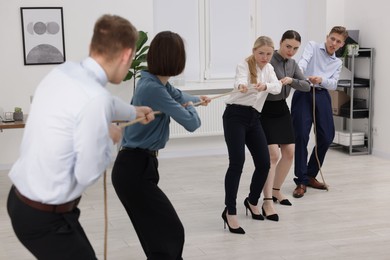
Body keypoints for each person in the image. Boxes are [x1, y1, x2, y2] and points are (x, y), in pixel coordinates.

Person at [7, 14, 154, 260]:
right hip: (44, 218)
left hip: (23, 201)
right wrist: (110, 138)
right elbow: (87, 174)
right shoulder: (94, 100)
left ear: (93, 46)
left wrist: (133, 111)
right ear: (128, 55)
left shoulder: (65, 72)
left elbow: (103, 102)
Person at [111, 31, 211, 259]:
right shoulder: (153, 89)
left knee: (158, 237)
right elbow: (192, 123)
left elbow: (179, 94)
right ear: (175, 59)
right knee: (169, 232)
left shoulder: (155, 83)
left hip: (139, 166)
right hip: (133, 169)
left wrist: (197, 99)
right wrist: (190, 105)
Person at [222, 36, 282, 234]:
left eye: (268, 54)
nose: (264, 57)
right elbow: (240, 80)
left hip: (254, 118)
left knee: (264, 163)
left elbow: (278, 86)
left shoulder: (270, 69)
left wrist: (266, 86)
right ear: (254, 51)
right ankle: (230, 211)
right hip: (235, 116)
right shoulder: (244, 65)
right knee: (237, 163)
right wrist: (241, 85)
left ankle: (252, 200)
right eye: (261, 53)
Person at [291, 26, 348, 198]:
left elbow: (333, 84)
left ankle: (310, 175)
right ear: (327, 37)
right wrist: (303, 76)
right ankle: (301, 180)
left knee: (327, 136)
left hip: (322, 95)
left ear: (342, 44)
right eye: (332, 38)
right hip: (303, 91)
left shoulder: (338, 62)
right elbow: (302, 62)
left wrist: (321, 79)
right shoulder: (313, 46)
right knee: (301, 136)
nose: (334, 43)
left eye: (338, 41)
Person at [260, 30, 310, 219]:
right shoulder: (269, 59)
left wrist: (291, 80)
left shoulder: (293, 64)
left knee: (289, 152)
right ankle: (266, 201)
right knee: (273, 155)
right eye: (288, 46)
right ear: (280, 43)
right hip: (264, 110)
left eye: (295, 48)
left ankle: (276, 190)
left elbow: (306, 86)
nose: (291, 51)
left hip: (281, 110)